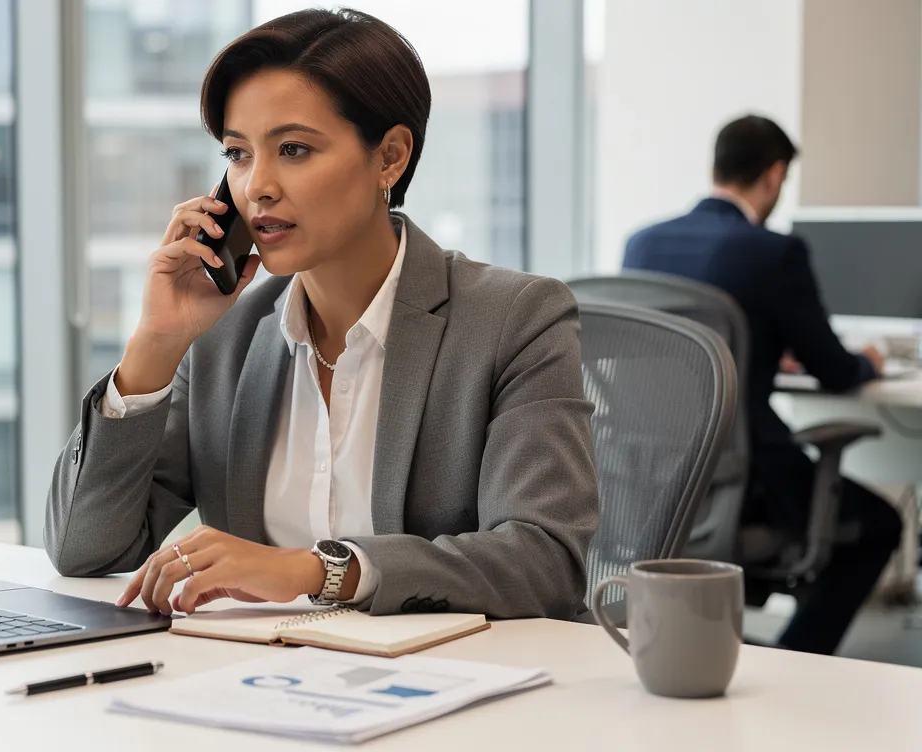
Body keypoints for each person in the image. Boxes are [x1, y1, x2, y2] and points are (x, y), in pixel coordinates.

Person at [44, 8, 599, 619]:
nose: (257, 186)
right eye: (238, 153)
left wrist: (317, 569)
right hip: (261, 685)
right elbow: (84, 548)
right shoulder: (224, 337)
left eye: (294, 149)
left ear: (389, 157)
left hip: (452, 685)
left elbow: (545, 561)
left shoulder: (515, 319)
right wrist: (154, 344)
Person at [623, 114, 903, 655]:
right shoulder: (774, 253)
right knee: (879, 526)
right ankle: (799, 658)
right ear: (775, 175)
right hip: (747, 478)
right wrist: (868, 358)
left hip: (658, 481)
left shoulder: (643, 245)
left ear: (715, 167)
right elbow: (837, 372)